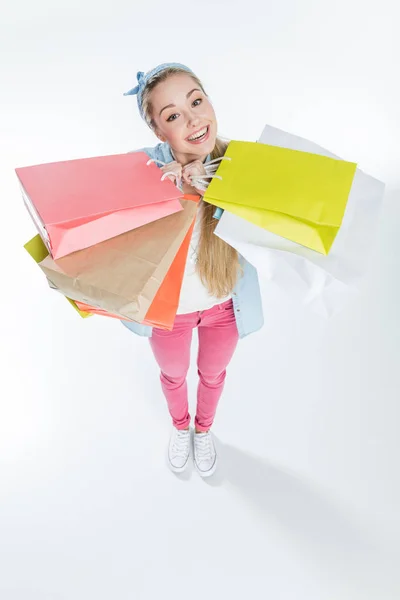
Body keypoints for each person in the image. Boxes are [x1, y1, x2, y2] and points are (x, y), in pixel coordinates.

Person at [123, 63, 264, 477]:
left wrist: (214, 186)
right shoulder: (143, 170)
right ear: (158, 132)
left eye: (196, 101)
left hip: (224, 308)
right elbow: (107, 212)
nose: (192, 119)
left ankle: (204, 430)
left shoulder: (242, 164)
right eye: (172, 115)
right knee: (172, 374)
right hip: (170, 313)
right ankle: (180, 426)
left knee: (213, 373)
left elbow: (271, 228)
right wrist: (162, 190)